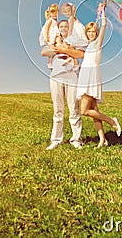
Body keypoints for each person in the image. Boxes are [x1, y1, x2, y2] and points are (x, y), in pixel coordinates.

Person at [76, 4, 121, 148]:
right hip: (85, 77)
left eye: (92, 31)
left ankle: (112, 122)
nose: (91, 34)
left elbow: (104, 26)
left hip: (91, 78)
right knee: (94, 111)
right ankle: (103, 139)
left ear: (95, 33)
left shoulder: (97, 43)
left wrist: (103, 13)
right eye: (88, 31)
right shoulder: (88, 46)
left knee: (84, 111)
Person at [41, 20, 85, 150]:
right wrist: (58, 49)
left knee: (74, 108)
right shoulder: (54, 42)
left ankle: (76, 139)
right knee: (58, 109)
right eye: (61, 26)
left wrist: (67, 50)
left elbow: (81, 54)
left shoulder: (73, 42)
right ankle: (56, 140)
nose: (64, 28)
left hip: (71, 76)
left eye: (66, 26)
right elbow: (43, 52)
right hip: (56, 77)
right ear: (58, 29)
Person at [39, 3, 59, 68]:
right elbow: (46, 29)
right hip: (50, 36)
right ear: (50, 13)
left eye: (56, 13)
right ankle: (50, 62)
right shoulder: (50, 20)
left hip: (54, 36)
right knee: (52, 47)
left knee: (52, 50)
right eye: (53, 13)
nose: (55, 14)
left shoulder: (56, 21)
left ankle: (50, 62)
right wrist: (46, 37)